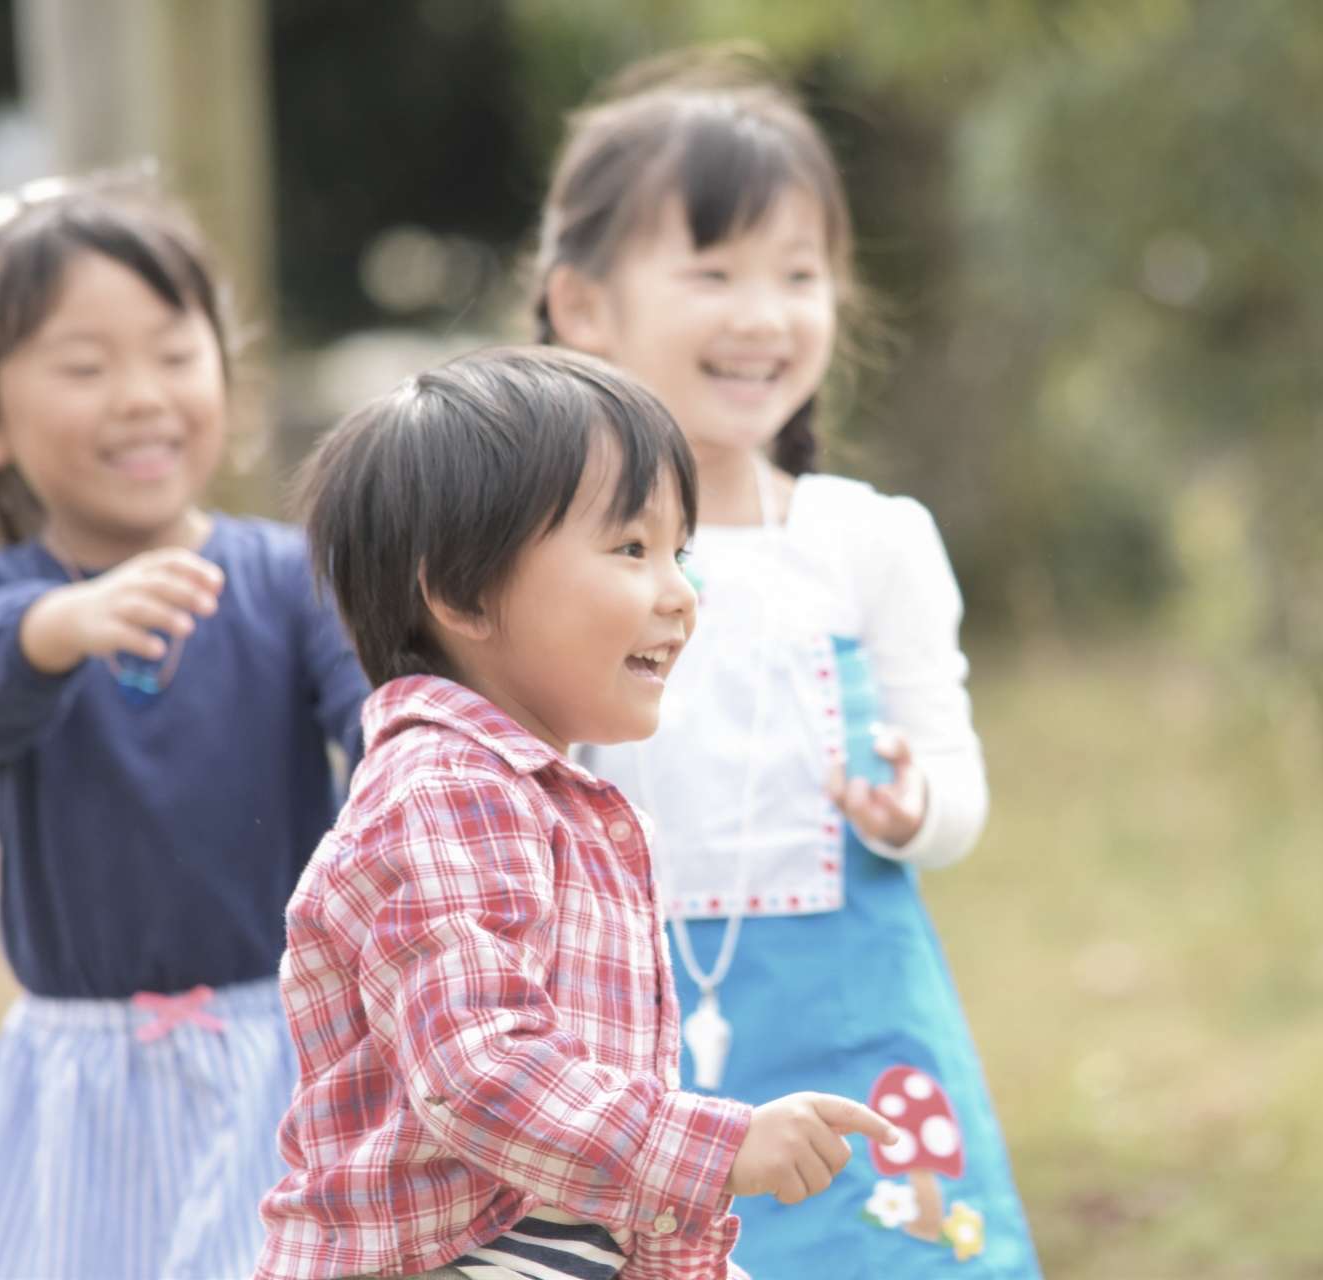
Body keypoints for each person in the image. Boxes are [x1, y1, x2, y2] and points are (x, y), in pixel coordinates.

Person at [532, 48, 1043, 1276]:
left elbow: (959, 791)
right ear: (584, 305)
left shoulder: (871, 542)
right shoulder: (532, 555)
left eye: (800, 273)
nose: (764, 314)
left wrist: (916, 806)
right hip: (612, 1033)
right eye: (713, 272)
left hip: (855, 1034)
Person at [257, 344, 898, 1280]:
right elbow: (479, 1075)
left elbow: (579, 1166)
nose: (681, 593)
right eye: (632, 549)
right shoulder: (446, 791)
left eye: (681, 552)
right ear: (464, 594)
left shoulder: (541, 797)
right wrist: (716, 1150)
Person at [0, 172, 370, 1279]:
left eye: (172, 351)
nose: (141, 394)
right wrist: (60, 622)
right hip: (84, 1080)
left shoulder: (291, 576)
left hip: (284, 1059)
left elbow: (385, 716)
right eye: (84, 365)